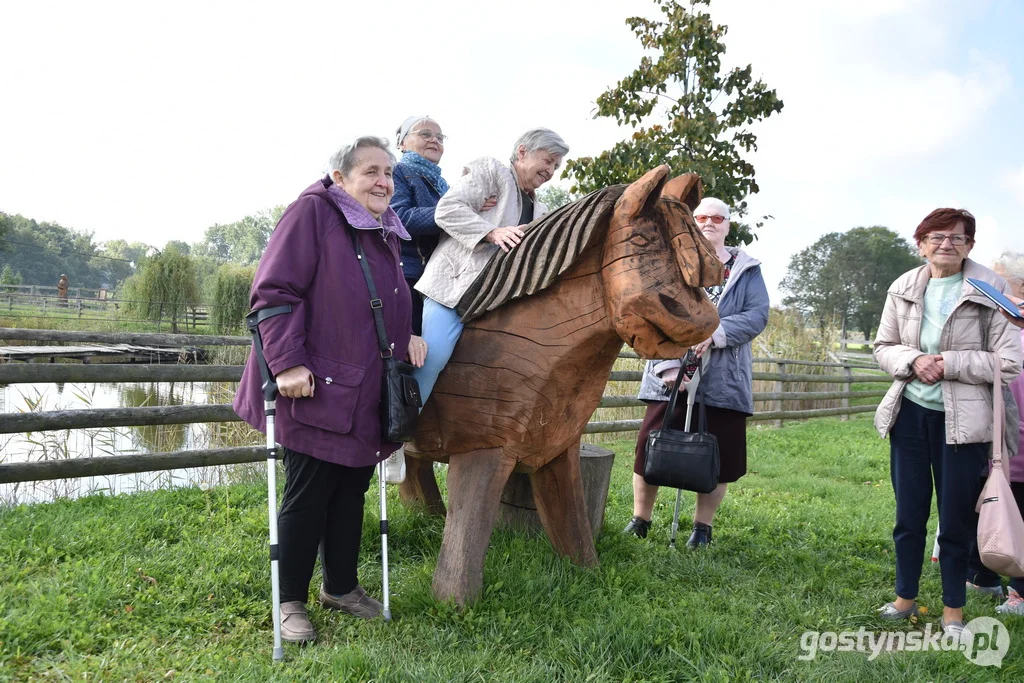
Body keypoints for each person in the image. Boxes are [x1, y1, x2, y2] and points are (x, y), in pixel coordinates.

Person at [233, 136, 428, 644]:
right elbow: (274, 293)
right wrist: (287, 363)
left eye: (388, 171)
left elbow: (382, 296)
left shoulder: (383, 228)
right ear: (341, 178)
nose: (384, 181)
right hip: (315, 385)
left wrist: (405, 332)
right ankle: (289, 601)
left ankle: (340, 587)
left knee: (351, 490)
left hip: (365, 387)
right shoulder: (313, 214)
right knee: (309, 493)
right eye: (371, 171)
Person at [873, 208, 1022, 638]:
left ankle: (953, 610)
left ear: (970, 245)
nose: (947, 244)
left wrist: (949, 363)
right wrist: (914, 360)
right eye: (936, 237)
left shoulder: (990, 289)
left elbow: (1009, 361)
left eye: (958, 238)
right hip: (911, 417)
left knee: (956, 518)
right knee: (909, 515)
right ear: (921, 244)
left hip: (966, 421)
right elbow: (884, 345)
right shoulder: (902, 287)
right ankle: (904, 598)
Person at [624, 197, 769, 547]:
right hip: (671, 373)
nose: (709, 222)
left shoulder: (747, 269)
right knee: (651, 448)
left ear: (728, 225)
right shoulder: (669, 262)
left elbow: (757, 315)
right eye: (701, 216)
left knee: (720, 455)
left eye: (718, 218)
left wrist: (714, 335)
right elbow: (652, 310)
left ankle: (702, 529)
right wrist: (669, 367)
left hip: (724, 378)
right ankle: (640, 519)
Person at [411, 128, 569, 405]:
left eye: (556, 166)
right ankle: (395, 438)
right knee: (432, 358)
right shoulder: (492, 170)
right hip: (453, 289)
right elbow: (446, 210)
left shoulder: (541, 210)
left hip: (499, 301)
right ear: (522, 152)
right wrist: (491, 232)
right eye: (548, 161)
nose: (551, 171)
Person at [967, 274, 1024, 614]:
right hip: (995, 431)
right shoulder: (1003, 326)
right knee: (988, 500)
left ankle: (1019, 590)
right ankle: (982, 575)